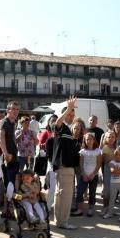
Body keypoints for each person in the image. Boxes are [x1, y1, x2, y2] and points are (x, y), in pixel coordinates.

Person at [52, 96, 77, 230]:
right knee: (65, 196)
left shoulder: (68, 129)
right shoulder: (61, 127)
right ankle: (63, 222)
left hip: (64, 166)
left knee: (60, 195)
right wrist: (68, 108)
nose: (71, 116)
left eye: (72, 114)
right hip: (64, 166)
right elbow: (58, 122)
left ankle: (59, 221)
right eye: (69, 114)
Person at [71, 133, 101, 217]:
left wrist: (93, 174)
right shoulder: (83, 151)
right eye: (87, 139)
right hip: (84, 176)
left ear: (93, 140)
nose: (89, 141)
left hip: (93, 176)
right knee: (79, 192)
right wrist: (83, 174)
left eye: (90, 139)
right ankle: (80, 209)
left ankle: (91, 209)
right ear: (85, 140)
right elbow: (81, 164)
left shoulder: (97, 151)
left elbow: (98, 164)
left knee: (92, 193)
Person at [103, 146, 120, 222]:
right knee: (112, 199)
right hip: (113, 183)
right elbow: (112, 171)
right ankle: (110, 213)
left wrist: (117, 170)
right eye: (116, 154)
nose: (118, 156)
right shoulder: (112, 162)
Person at [0, 101, 20, 189]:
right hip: (7, 157)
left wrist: (16, 149)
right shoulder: (4, 122)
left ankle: (11, 201)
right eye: (13, 109)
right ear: (8, 110)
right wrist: (5, 153)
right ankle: (7, 202)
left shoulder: (12, 123)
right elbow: (1, 138)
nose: (16, 111)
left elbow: (13, 137)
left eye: (17, 109)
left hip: (14, 155)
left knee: (13, 182)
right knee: (8, 184)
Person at [100, 130, 116, 214]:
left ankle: (110, 208)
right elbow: (106, 159)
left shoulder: (115, 148)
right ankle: (105, 207)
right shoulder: (105, 148)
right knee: (107, 191)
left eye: (112, 137)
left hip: (115, 171)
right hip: (107, 170)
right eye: (109, 137)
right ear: (105, 138)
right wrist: (115, 157)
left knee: (112, 190)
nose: (111, 139)